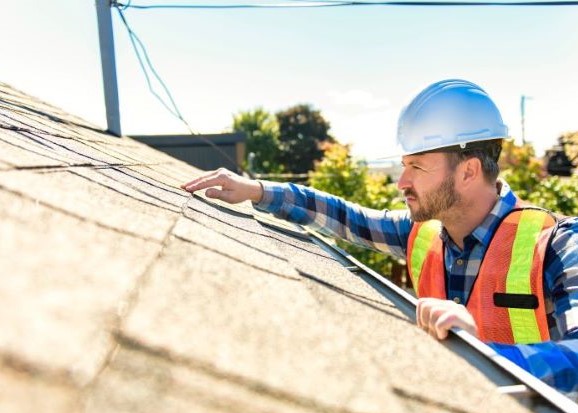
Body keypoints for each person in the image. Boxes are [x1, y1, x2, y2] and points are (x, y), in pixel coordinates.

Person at [181, 79, 578, 393]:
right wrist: (259, 191)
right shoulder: (423, 234)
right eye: (404, 166)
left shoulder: (560, 245)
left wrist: (485, 357)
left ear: (469, 172)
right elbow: (346, 217)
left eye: (417, 167)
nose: (402, 182)